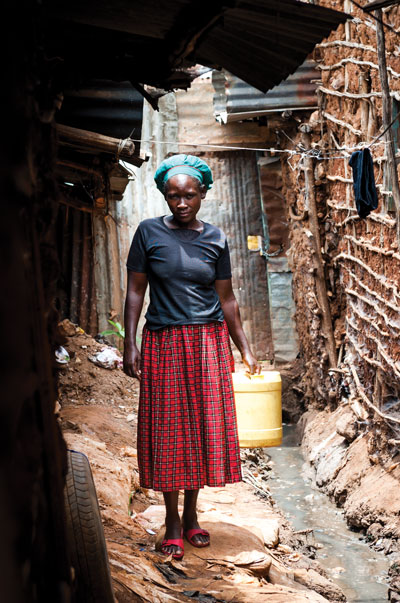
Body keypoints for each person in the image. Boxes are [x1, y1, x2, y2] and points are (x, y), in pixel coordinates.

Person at [123, 154, 260, 560]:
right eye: (173, 196)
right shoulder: (148, 233)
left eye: (189, 196)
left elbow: (227, 298)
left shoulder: (215, 239)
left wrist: (245, 348)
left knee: (201, 429)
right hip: (163, 342)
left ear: (202, 195)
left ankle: (192, 513)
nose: (181, 204)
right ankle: (170, 521)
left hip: (207, 343)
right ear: (165, 196)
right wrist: (130, 343)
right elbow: (135, 292)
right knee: (168, 431)